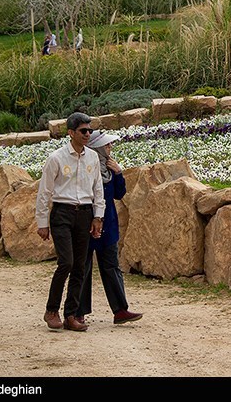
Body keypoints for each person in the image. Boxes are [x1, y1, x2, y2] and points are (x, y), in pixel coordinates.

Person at [35, 112, 105, 332]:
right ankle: (51, 310)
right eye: (83, 131)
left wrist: (98, 216)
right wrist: (42, 222)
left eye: (90, 131)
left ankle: (72, 314)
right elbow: (44, 192)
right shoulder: (56, 158)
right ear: (71, 133)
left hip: (84, 212)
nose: (87, 134)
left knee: (80, 266)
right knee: (66, 262)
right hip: (62, 213)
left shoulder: (92, 157)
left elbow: (97, 189)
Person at [78, 130, 143, 326]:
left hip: (109, 224)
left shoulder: (108, 167)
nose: (110, 148)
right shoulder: (86, 167)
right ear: (96, 147)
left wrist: (118, 173)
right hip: (87, 223)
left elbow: (119, 193)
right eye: (106, 145)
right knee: (83, 268)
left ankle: (120, 310)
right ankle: (78, 312)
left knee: (111, 266)